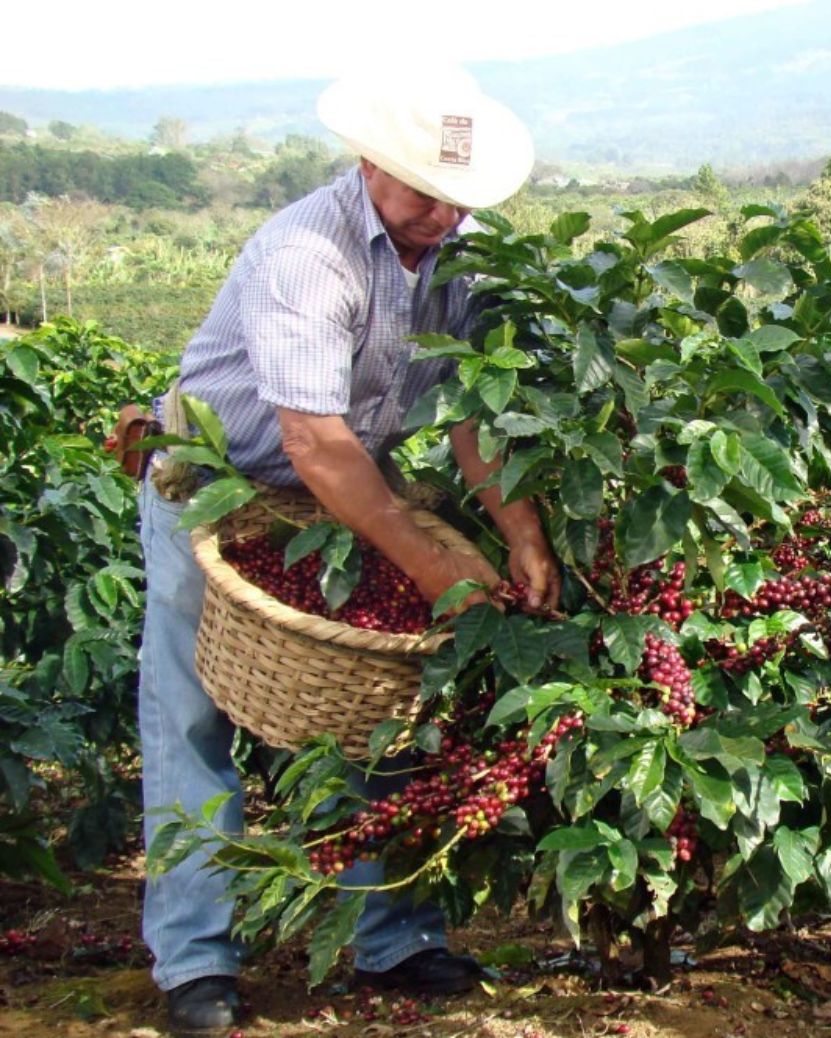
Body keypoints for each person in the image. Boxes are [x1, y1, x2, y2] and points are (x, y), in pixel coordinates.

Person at [138, 67, 560, 1036]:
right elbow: (313, 443)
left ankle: (398, 939)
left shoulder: (463, 248)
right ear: (368, 163)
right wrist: (433, 566)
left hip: (348, 501)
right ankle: (196, 961)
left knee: (384, 707)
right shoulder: (304, 254)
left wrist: (520, 531)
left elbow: (472, 406)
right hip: (216, 492)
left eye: (459, 199)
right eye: (422, 192)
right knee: (192, 722)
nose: (440, 215)